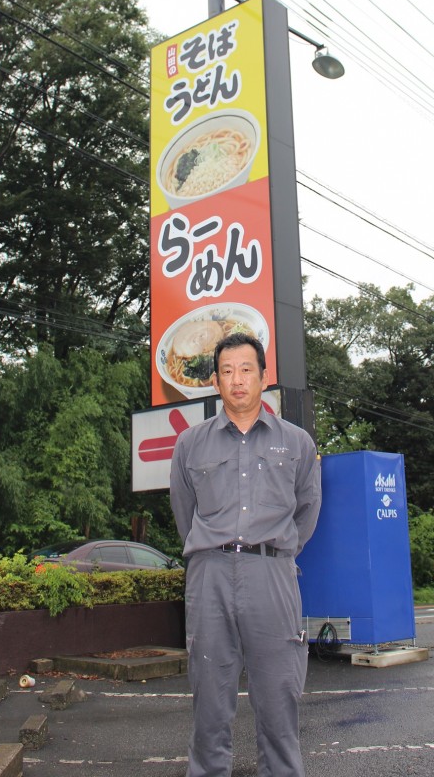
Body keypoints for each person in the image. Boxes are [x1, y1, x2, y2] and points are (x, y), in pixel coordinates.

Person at [170, 332, 322, 777]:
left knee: (279, 701)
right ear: (215, 381)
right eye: (227, 371)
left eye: (246, 370)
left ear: (264, 376)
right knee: (210, 707)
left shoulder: (297, 444)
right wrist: (210, 553)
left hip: (272, 576)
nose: (237, 380)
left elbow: (307, 512)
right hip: (209, 577)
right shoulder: (190, 445)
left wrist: (271, 552)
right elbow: (185, 514)